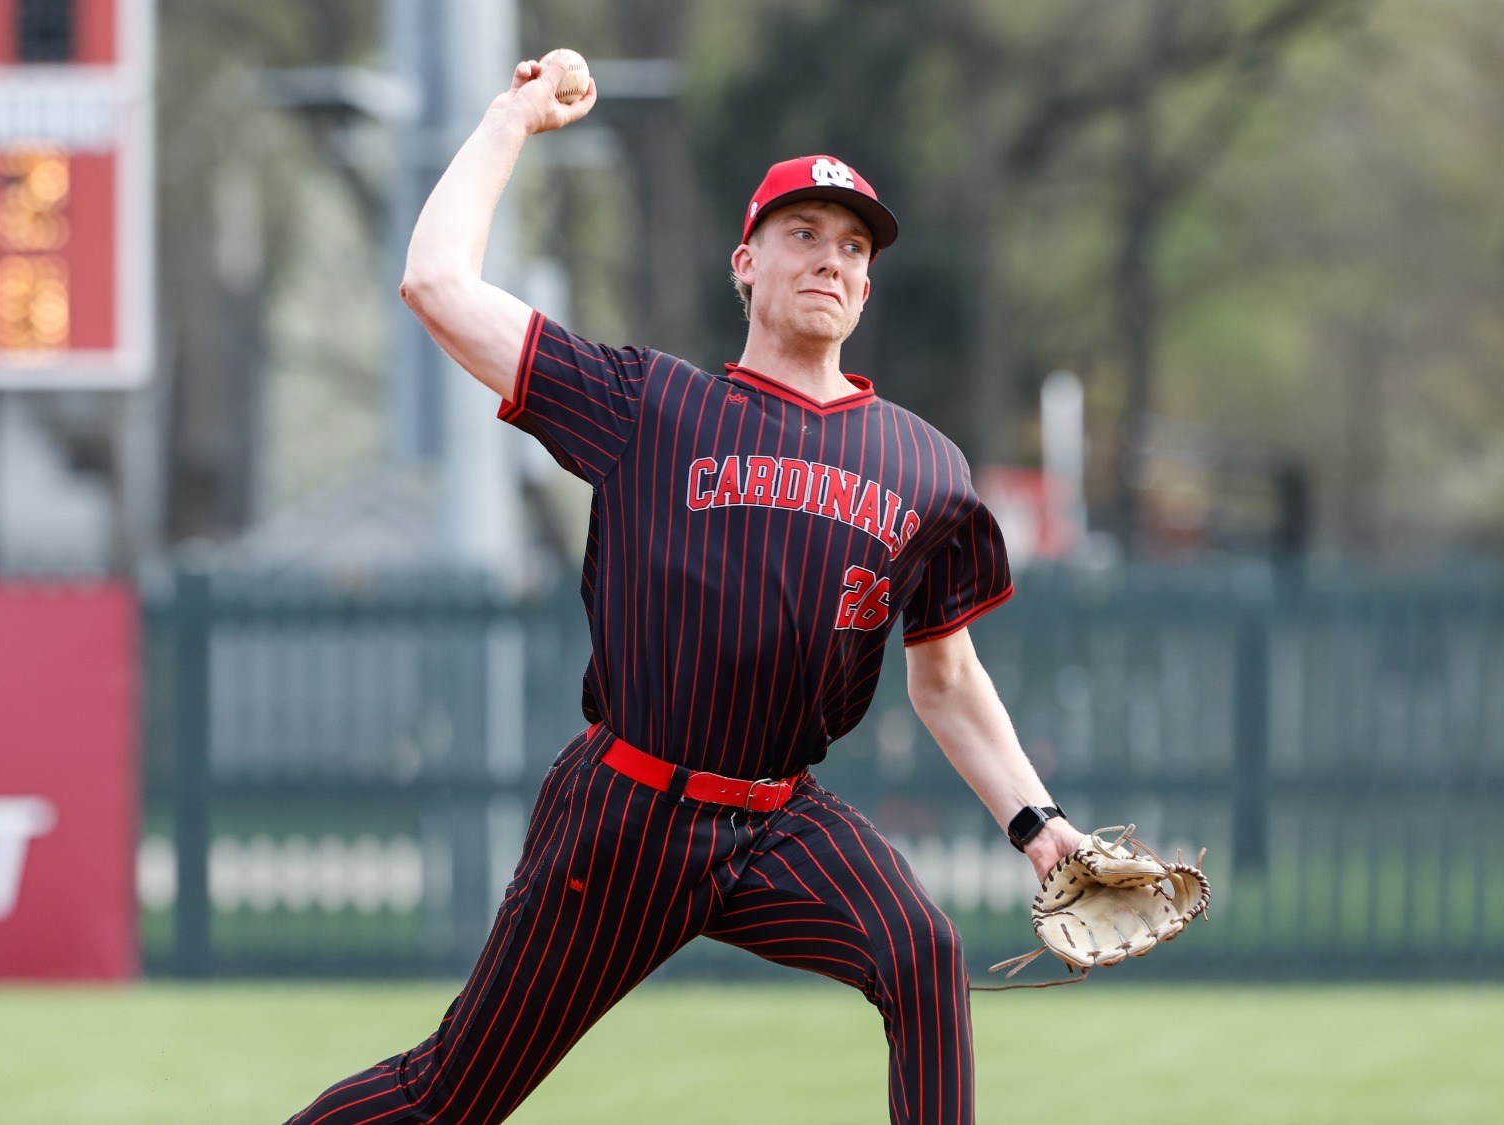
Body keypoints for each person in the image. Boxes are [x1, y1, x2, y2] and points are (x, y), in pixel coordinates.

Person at [288, 52, 1083, 1125]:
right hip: (623, 817)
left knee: (922, 957)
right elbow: (435, 283)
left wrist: (1036, 823)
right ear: (743, 265)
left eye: (852, 247)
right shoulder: (648, 406)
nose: (830, 260)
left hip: (776, 821)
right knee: (451, 1097)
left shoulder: (926, 469)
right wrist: (509, 121)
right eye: (801, 234)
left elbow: (944, 680)